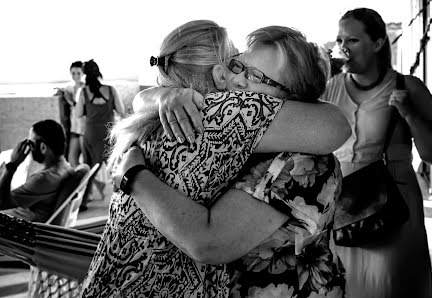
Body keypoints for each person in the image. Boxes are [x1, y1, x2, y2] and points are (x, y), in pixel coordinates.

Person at [82, 21, 349, 297]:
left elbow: (338, 124)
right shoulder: (225, 119)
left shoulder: (284, 145)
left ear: (293, 101)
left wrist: (134, 173)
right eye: (238, 65)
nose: (237, 79)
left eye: (257, 76)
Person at [322, 8, 432, 298]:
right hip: (342, 209)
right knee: (344, 288)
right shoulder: (329, 90)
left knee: (388, 287)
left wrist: (410, 114)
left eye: (352, 40)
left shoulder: (409, 87)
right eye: (340, 40)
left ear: (377, 44)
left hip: (394, 209)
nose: (342, 47)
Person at [0, 120, 73, 222]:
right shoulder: (66, 168)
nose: (28, 148)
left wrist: (12, 165)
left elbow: (1, 202)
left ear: (43, 147)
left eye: (30, 143)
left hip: (20, 229)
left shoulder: (43, 179)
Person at [75, 59, 125, 208]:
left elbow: (78, 114)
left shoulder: (83, 92)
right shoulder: (111, 90)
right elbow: (121, 111)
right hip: (109, 133)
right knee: (115, 166)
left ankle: (84, 200)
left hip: (91, 134)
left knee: (89, 168)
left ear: (85, 75)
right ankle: (122, 198)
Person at [64, 61, 86, 167]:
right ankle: (81, 180)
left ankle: (90, 182)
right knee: (71, 159)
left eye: (78, 73)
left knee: (87, 160)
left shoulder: (86, 88)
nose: (76, 76)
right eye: (73, 73)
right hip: (74, 128)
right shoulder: (69, 89)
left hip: (84, 128)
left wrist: (70, 101)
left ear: (83, 74)